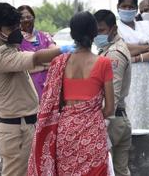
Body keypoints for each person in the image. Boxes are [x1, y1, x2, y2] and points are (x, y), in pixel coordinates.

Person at [0, 2, 75, 176]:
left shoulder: (10, 46)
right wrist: (61, 50)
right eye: (11, 28)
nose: (17, 31)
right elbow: (35, 58)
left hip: (27, 124)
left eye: (17, 26)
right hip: (16, 129)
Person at [28, 12, 115, 176]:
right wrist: (90, 117)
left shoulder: (59, 62)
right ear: (95, 33)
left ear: (72, 34)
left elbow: (55, 102)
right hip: (93, 134)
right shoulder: (104, 63)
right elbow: (110, 109)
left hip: (65, 131)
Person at [116, 0, 149, 130]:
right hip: (128, 80)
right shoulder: (115, 27)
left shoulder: (146, 26)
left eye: (131, 6)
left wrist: (138, 57)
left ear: (136, 9)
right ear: (117, 7)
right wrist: (148, 47)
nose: (127, 9)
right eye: (124, 6)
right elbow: (122, 49)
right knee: (132, 117)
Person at [94, 9, 132, 176]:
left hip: (112, 121)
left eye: (101, 30)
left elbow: (113, 95)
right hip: (120, 119)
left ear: (113, 29)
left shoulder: (114, 54)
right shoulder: (112, 48)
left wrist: (102, 126)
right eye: (95, 31)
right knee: (120, 170)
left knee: (104, 170)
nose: (97, 35)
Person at [17, 5, 57, 99]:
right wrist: (46, 65)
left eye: (29, 17)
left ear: (33, 18)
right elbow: (22, 67)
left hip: (49, 86)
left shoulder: (45, 36)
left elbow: (56, 57)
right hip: (28, 90)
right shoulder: (17, 41)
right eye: (22, 18)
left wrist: (35, 64)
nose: (26, 20)